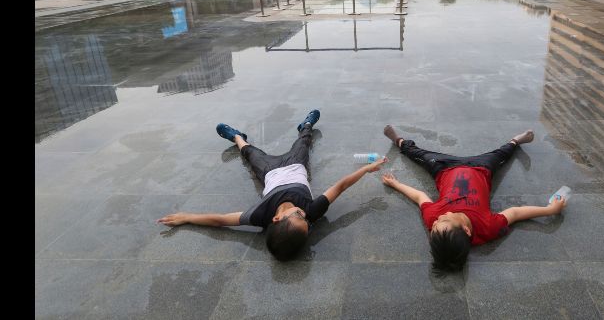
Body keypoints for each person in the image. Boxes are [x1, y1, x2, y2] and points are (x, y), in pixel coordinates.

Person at [157, 110, 386, 261]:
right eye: (307, 221)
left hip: (269, 171)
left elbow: (221, 219)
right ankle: (306, 124)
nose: (305, 214)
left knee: (250, 152)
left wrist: (187, 217)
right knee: (303, 143)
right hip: (296, 166)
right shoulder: (312, 211)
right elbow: (341, 186)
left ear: (276, 219)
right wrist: (367, 168)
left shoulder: (260, 215)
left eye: (299, 216)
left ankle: (237, 136)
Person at [380, 125, 567, 271]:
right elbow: (516, 213)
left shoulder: (434, 221)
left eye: (434, 226)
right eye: (443, 220)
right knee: (502, 154)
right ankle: (515, 141)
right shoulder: (487, 227)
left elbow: (420, 196)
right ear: (466, 230)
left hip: (444, 169)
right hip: (481, 168)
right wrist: (549, 210)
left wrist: (396, 184)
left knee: (420, 155)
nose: (438, 219)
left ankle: (399, 140)